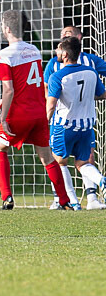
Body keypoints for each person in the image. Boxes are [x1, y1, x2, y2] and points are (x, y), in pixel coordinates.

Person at [0, 10, 70, 210]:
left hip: (19, 114)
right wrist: (5, 99)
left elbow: (9, 88)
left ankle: (6, 196)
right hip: (38, 113)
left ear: (7, 29)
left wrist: (3, 116)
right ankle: (64, 200)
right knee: (47, 157)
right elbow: (28, 83)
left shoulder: (3, 55)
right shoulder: (33, 50)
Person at [43, 25, 106, 210]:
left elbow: (52, 103)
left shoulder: (58, 76)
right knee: (82, 162)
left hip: (63, 125)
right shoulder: (91, 72)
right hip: (86, 126)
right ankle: (101, 180)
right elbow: (101, 95)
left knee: (58, 161)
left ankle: (72, 201)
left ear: (65, 55)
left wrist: (44, 122)